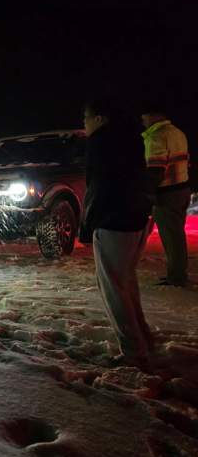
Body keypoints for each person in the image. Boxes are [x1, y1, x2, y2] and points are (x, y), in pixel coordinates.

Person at [79, 97, 154, 367]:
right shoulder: (133, 138)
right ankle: (145, 340)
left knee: (112, 287)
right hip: (137, 216)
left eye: (86, 118)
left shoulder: (100, 141)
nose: (84, 123)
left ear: (100, 118)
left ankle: (134, 352)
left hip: (114, 220)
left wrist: (87, 224)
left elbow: (98, 186)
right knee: (127, 282)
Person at [141, 104, 191, 287]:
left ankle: (177, 277)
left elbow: (155, 169)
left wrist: (149, 192)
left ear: (154, 116)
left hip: (167, 192)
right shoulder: (177, 132)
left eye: (144, 118)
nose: (142, 122)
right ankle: (177, 273)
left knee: (172, 237)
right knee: (177, 235)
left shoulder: (156, 136)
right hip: (182, 189)